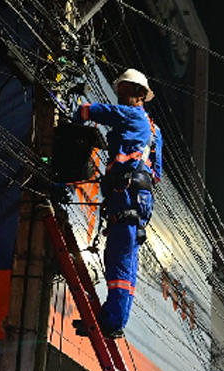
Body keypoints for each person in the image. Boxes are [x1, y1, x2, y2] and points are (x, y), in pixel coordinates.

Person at [71, 68, 163, 337]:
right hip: (137, 195)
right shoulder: (154, 130)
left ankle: (112, 322)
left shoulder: (133, 114)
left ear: (138, 94)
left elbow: (98, 112)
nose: (120, 96)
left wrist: (80, 114)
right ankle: (113, 318)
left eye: (124, 92)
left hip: (126, 192)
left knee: (119, 259)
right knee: (124, 258)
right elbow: (155, 173)